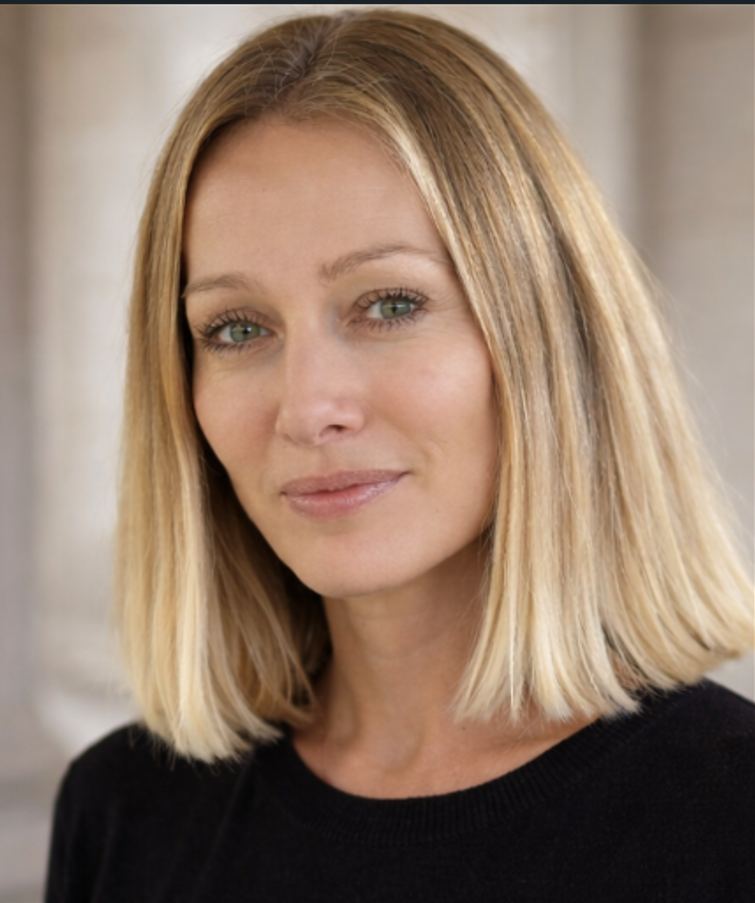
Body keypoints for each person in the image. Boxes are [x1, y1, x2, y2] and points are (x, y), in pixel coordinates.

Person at [45, 9, 753, 902]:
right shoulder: (126, 812)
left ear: (547, 338)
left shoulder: (728, 818)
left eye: (387, 305)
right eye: (235, 327)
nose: (307, 409)